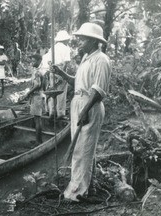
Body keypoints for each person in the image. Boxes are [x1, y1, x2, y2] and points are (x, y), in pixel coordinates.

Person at [51, 23, 112, 202]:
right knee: (83, 147)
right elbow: (78, 83)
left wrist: (85, 110)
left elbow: (98, 90)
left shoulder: (101, 59)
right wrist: (62, 74)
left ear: (93, 41)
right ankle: (88, 186)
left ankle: (77, 192)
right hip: (80, 102)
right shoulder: (87, 57)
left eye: (83, 39)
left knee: (82, 149)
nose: (79, 42)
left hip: (90, 104)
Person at [42, 30, 71, 119]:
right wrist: (63, 74)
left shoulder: (52, 48)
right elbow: (66, 63)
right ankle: (60, 113)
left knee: (53, 91)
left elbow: (48, 61)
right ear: (65, 40)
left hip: (52, 70)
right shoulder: (66, 48)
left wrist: (51, 70)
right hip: (60, 70)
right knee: (61, 93)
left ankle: (52, 111)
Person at [18, 54, 45, 144]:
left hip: (37, 96)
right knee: (36, 118)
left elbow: (37, 85)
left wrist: (28, 93)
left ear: (39, 61)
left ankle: (39, 141)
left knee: (38, 119)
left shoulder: (38, 72)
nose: (32, 63)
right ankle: (38, 139)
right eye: (31, 61)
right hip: (36, 96)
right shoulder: (37, 71)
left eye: (34, 61)